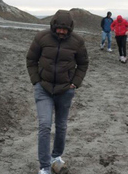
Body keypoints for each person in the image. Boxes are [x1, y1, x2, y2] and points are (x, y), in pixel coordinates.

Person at [26, 10, 89, 174]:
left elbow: (83, 64)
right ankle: (45, 167)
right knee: (45, 126)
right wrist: (36, 81)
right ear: (53, 26)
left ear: (70, 28)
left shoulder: (78, 42)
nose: (61, 32)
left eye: (65, 29)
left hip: (65, 90)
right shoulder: (41, 37)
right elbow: (31, 60)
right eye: (59, 28)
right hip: (43, 89)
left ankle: (56, 156)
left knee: (61, 126)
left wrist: (75, 82)